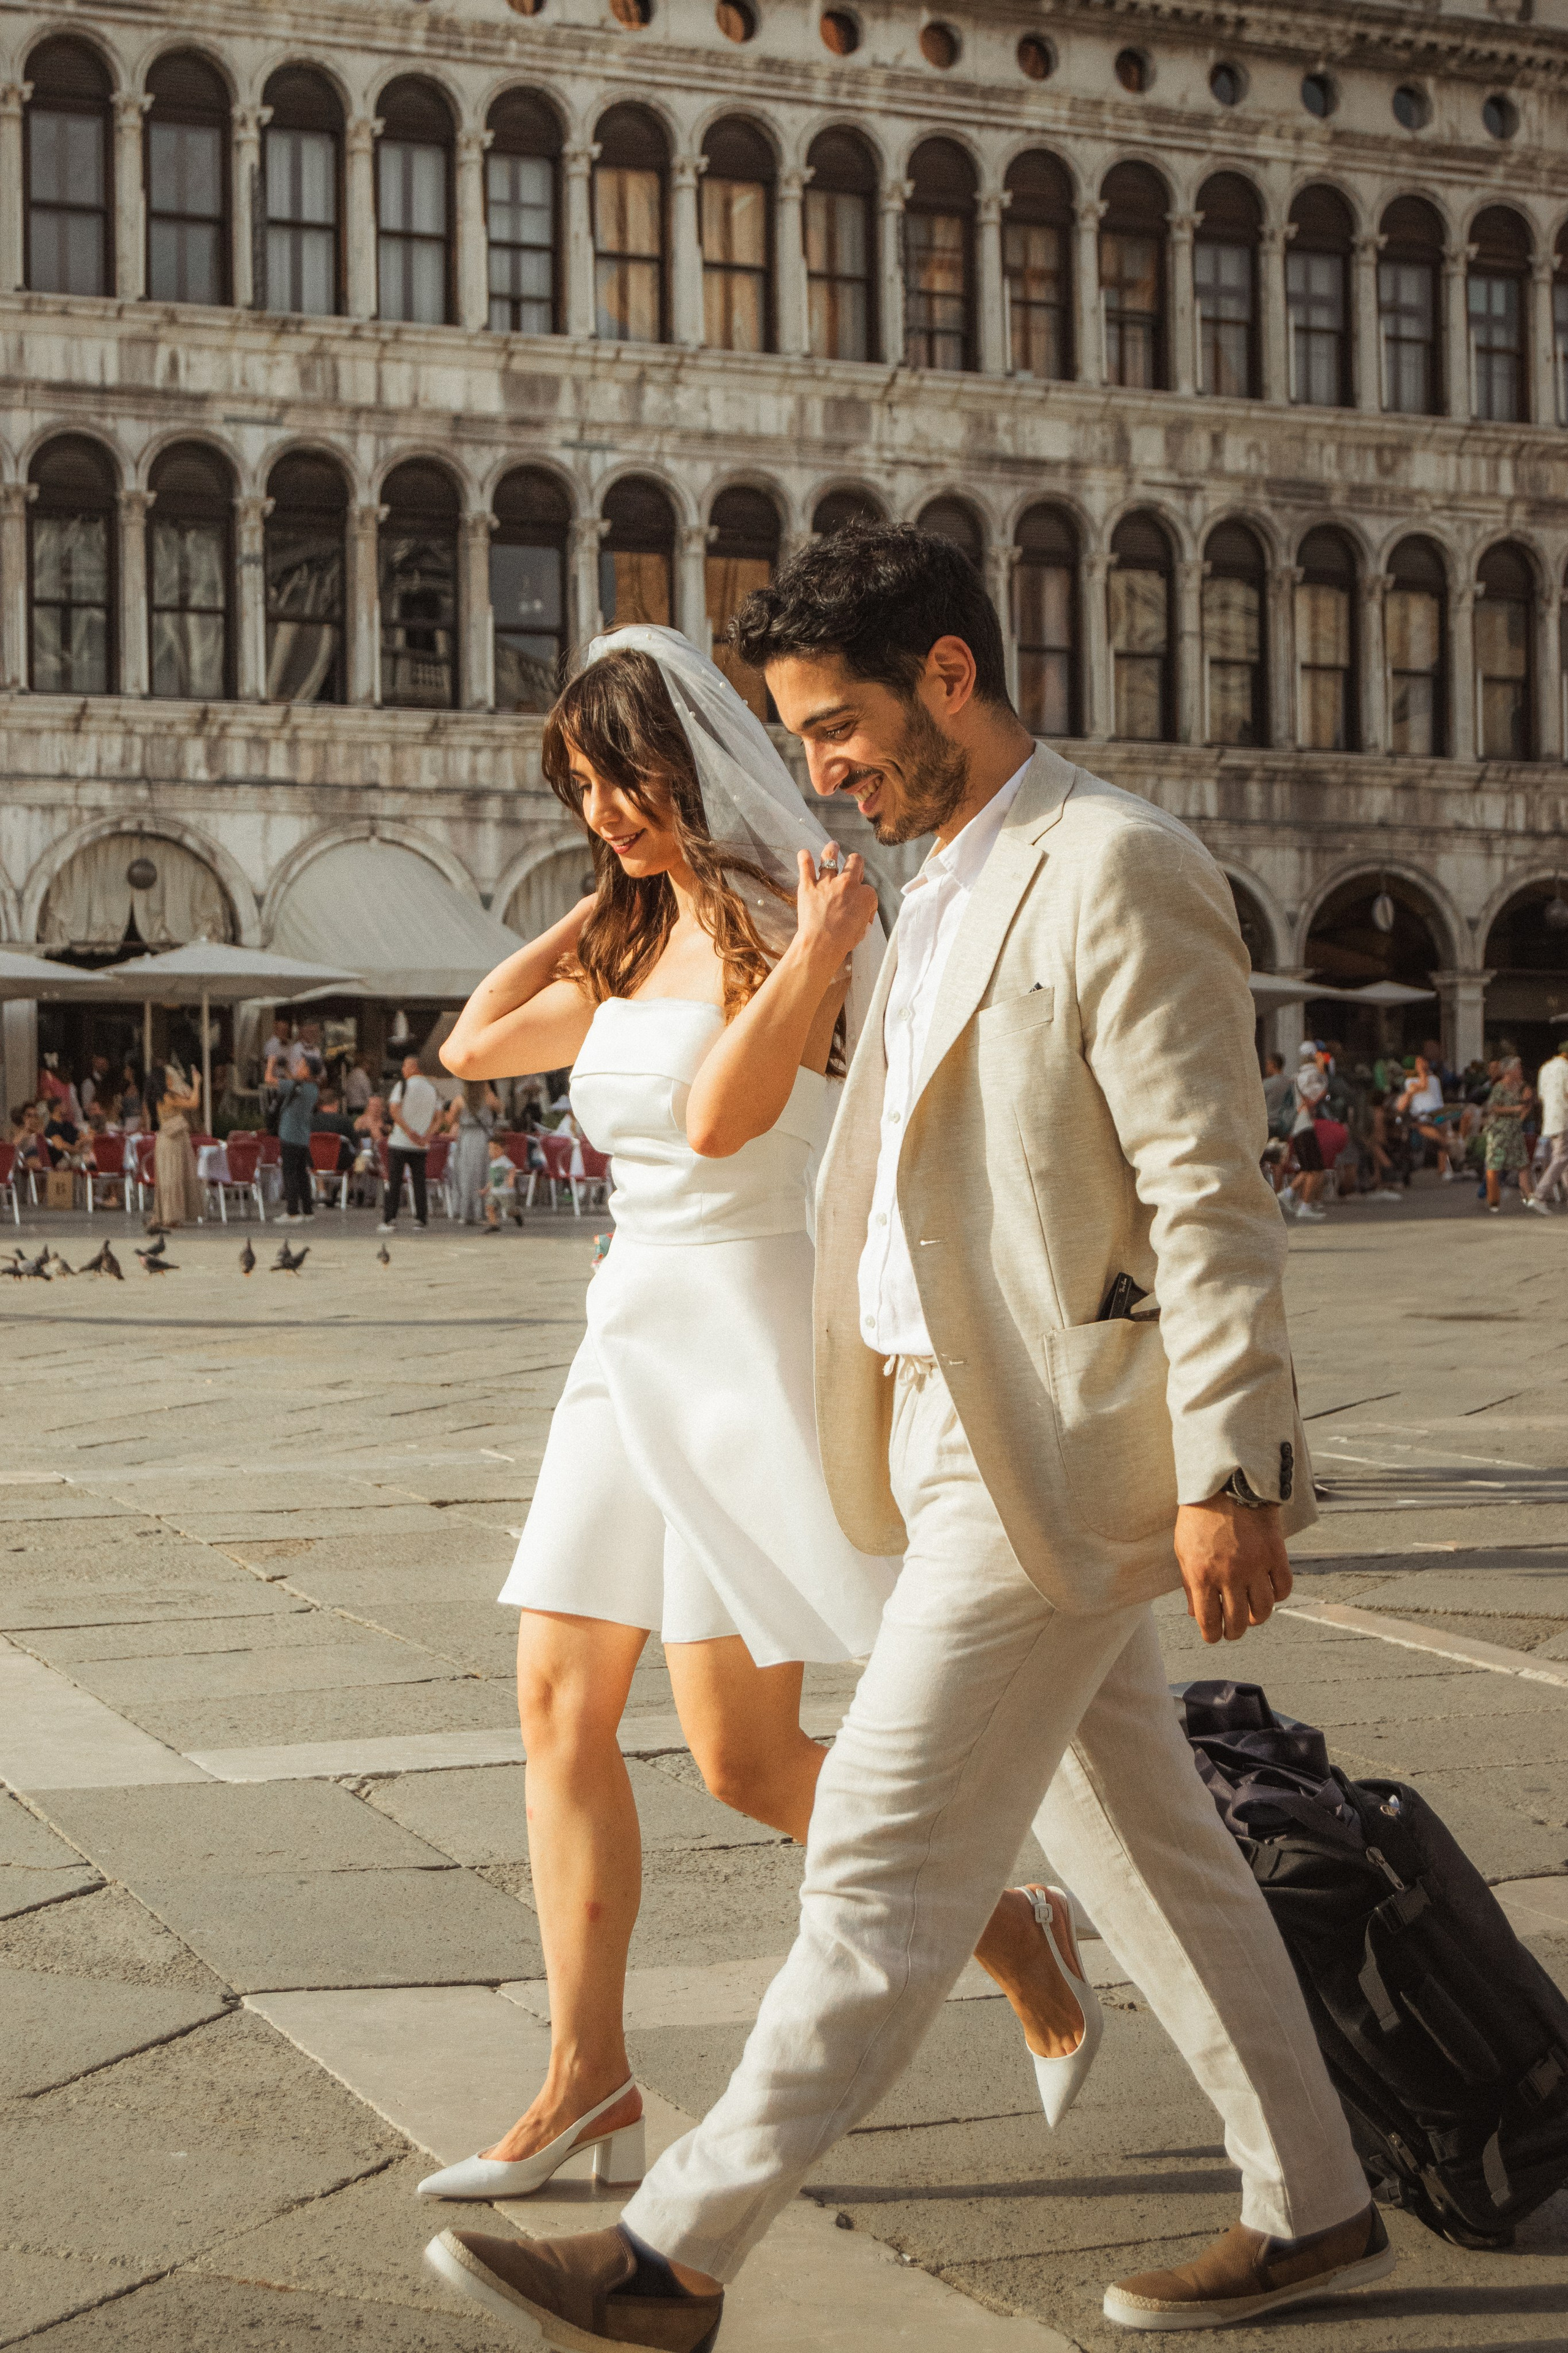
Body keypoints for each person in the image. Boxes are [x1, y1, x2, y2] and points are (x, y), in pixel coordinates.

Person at [428, 537, 1390, 2342]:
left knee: (872, 1848)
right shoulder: (930, 873)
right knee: (1153, 1849)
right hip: (935, 1426)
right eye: (794, 736)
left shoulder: (1113, 863)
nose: (817, 768)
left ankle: (667, 2251)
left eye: (838, 726)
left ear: (946, 675)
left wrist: (1233, 1468)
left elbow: (1208, 1192)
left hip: (1054, 1439)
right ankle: (1315, 2201)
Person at [421, 625, 1093, 2227]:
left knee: (739, 1755)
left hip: (743, 1344)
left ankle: (1010, 1924)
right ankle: (586, 2074)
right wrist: (601, 900)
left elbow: (726, 1117)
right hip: (627, 1335)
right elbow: (470, 1045)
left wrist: (802, 948)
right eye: (579, 788)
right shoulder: (628, 925)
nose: (604, 810)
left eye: (621, 778)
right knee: (555, 1708)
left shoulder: (813, 920)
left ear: (690, 754)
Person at [379, 1054, 438, 1233]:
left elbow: (394, 1110)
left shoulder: (402, 1086)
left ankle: (390, 1219)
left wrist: (408, 1130)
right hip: (421, 1145)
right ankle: (421, 1218)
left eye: (405, 1066)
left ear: (414, 1068)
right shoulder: (431, 1089)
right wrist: (427, 1136)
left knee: (395, 1181)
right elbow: (439, 1117)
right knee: (419, 1181)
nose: (403, 1070)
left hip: (400, 1142)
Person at [1483, 1056, 1540, 1215]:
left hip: (1515, 1131)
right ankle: (1493, 1200)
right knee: (1494, 1166)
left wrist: (1521, 1116)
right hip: (1499, 1132)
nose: (1520, 1071)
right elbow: (1494, 1108)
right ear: (1509, 1071)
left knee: (1523, 1164)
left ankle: (1528, 1197)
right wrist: (1514, 1110)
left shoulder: (1522, 1087)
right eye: (1518, 1068)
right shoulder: (1499, 1088)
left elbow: (1528, 1104)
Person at [150, 1059, 203, 1227]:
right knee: (173, 1178)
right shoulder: (168, 1097)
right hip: (172, 1140)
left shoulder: (164, 1095)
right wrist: (197, 1084)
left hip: (170, 1138)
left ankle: (169, 1215)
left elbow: (188, 1096)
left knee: (171, 1178)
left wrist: (187, 1084)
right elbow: (194, 1103)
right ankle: (170, 1216)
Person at [1284, 1047, 1329, 1222]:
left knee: (1309, 1168)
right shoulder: (1311, 1075)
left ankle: (1288, 1194)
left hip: (1300, 1126)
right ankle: (1305, 1205)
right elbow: (1318, 1094)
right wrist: (1323, 1072)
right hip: (1304, 1126)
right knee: (1316, 1169)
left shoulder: (1298, 1075)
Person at [1395, 1052, 1455, 1180]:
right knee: (1439, 1139)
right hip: (1422, 1117)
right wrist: (1421, 1070)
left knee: (1442, 1133)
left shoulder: (1433, 1079)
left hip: (1438, 1113)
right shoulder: (1411, 1081)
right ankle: (1448, 1148)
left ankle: (1442, 1167)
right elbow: (1423, 1086)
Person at [274, 1067, 320, 1223]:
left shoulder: (296, 1087)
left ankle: (292, 1211)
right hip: (302, 1136)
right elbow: (294, 1079)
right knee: (301, 1173)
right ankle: (308, 1210)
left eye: (302, 1065)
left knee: (289, 1173)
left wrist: (272, 1062)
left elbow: (269, 1079)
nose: (298, 1067)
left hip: (289, 1135)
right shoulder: (313, 1089)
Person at [451, 1079, 499, 1225]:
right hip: (483, 1139)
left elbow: (451, 1118)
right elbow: (500, 1108)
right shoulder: (489, 1098)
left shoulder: (460, 1100)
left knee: (466, 1175)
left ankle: (465, 1212)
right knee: (484, 1174)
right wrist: (489, 1091)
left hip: (466, 1139)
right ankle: (482, 1212)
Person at [1534, 1040, 1568, 1209]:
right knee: (1561, 1158)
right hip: (1564, 1118)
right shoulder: (1566, 1068)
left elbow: (1541, 1095)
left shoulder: (1545, 1068)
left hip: (1550, 1118)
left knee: (1563, 1157)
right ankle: (1540, 1194)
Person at [483, 1133, 519, 1232]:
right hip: (495, 1192)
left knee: (509, 1211)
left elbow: (512, 1169)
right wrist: (486, 1189)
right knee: (490, 1207)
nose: (492, 1152)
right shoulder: (493, 1163)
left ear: (503, 1150)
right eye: (490, 1149)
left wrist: (511, 1179)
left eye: (496, 1149)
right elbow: (492, 1179)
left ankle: (516, 1214)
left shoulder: (504, 1161)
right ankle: (494, 1225)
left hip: (505, 1192)